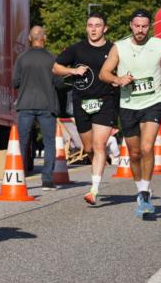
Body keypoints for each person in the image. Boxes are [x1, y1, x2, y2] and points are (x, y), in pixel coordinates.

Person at [99, 9, 161, 217]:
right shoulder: (120, 47)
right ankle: (140, 190)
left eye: (144, 26)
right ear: (131, 25)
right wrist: (118, 80)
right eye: (137, 26)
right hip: (128, 105)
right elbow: (104, 73)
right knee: (134, 153)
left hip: (153, 102)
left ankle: (145, 192)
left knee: (146, 147)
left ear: (149, 26)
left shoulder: (159, 45)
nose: (141, 30)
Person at [52, 13, 119, 205]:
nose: (94, 29)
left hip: (105, 101)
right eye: (90, 25)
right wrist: (72, 70)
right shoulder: (76, 49)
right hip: (81, 103)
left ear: (105, 28)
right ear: (86, 28)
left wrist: (118, 80)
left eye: (98, 25)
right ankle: (98, 163)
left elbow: (123, 68)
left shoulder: (113, 49)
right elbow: (56, 68)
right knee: (89, 148)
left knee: (98, 146)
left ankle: (94, 189)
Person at [13, 25, 59, 190]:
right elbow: (59, 83)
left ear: (29, 39)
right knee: (49, 143)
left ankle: (19, 178)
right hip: (47, 105)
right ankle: (47, 180)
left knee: (23, 143)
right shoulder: (52, 59)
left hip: (25, 104)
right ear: (44, 38)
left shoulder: (22, 58)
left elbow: (15, 82)